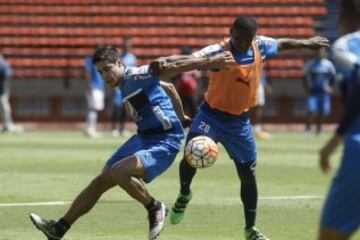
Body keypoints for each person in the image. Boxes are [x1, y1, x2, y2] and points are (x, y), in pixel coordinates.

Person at [29, 46, 235, 240]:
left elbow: (167, 66)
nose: (105, 76)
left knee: (120, 172)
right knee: (100, 181)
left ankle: (154, 207)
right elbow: (170, 88)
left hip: (165, 141)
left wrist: (210, 61)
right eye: (100, 72)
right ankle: (60, 228)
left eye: (108, 69)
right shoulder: (126, 84)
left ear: (119, 63)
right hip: (143, 138)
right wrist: (181, 117)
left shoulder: (137, 75)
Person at [169, 15, 329, 240]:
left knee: (247, 175)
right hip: (211, 116)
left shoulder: (259, 45)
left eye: (248, 38)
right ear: (231, 32)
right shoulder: (217, 51)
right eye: (240, 38)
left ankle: (250, 229)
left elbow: (281, 44)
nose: (244, 43)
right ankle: (184, 194)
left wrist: (306, 43)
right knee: (191, 154)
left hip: (240, 122)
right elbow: (190, 60)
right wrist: (173, 66)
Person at [318, 0, 360, 239]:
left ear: (343, 15)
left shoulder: (346, 45)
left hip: (357, 148)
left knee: (331, 235)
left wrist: (334, 142)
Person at [303, 48, 336, 135]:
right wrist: (307, 87)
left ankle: (319, 130)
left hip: (324, 92)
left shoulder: (328, 64)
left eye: (321, 52)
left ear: (324, 53)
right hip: (313, 92)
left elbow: (333, 77)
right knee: (311, 110)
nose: (319, 54)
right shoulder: (310, 64)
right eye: (317, 52)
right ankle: (307, 130)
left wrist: (331, 87)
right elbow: (304, 76)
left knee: (323, 112)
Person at [111, 37, 137, 137]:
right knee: (116, 106)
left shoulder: (132, 58)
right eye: (125, 45)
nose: (126, 47)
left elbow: (134, 71)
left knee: (125, 107)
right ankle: (114, 128)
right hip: (119, 84)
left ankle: (122, 128)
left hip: (128, 85)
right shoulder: (119, 58)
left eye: (128, 46)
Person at [84, 45, 105, 138]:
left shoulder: (101, 62)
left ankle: (90, 128)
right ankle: (91, 129)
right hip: (94, 87)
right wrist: (89, 87)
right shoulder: (90, 60)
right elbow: (87, 73)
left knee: (94, 108)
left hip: (99, 87)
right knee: (93, 108)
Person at [174, 46, 201, 118]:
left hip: (191, 91)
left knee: (193, 107)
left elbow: (198, 75)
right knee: (180, 108)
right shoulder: (178, 64)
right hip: (181, 90)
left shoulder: (194, 63)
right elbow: (175, 77)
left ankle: (194, 120)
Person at [0, 53, 23, 133]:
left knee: (5, 107)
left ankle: (7, 124)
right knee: (4, 108)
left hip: (1, 91)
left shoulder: (3, 65)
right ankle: (6, 124)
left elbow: (7, 76)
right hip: (2, 90)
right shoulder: (3, 65)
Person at [253, 68, 272, 139]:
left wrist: (265, 83)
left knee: (258, 107)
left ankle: (256, 128)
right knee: (252, 107)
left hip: (258, 83)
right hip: (251, 83)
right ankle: (254, 129)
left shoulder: (260, 60)